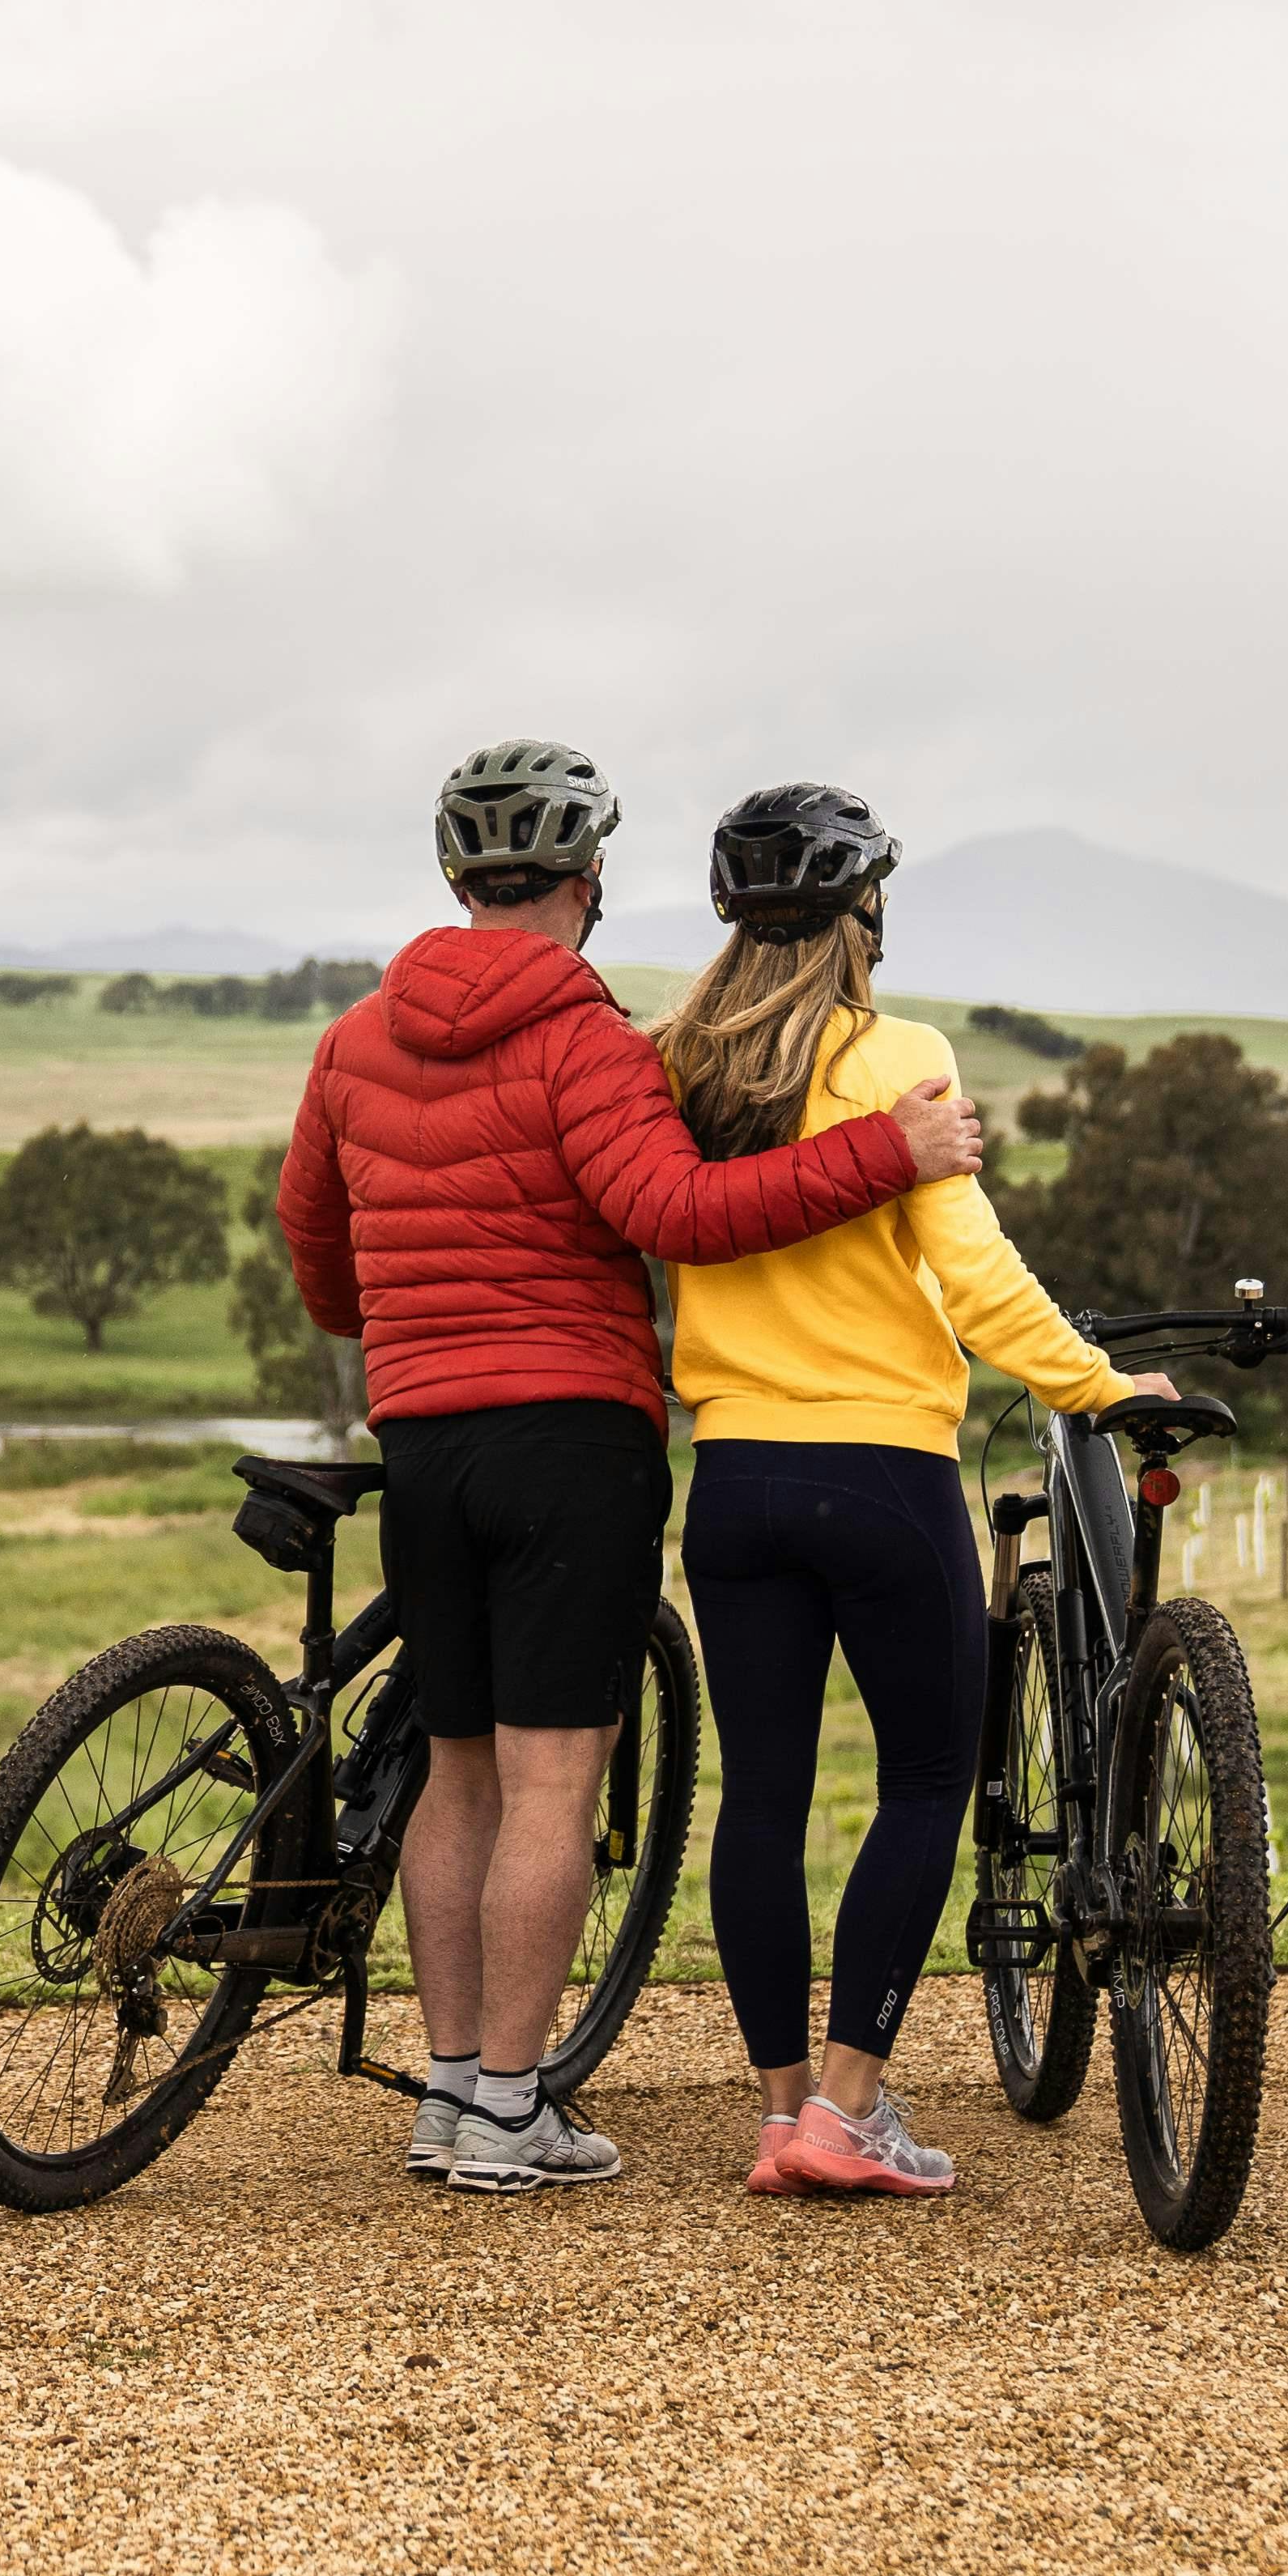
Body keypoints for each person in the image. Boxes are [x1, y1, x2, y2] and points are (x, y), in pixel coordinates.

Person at [276, 742, 987, 2198]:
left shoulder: (352, 1043)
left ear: (457, 882)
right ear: (589, 881)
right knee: (554, 1778)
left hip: (419, 1435)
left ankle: (452, 2090)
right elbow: (679, 1213)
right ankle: (512, 2109)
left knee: (451, 1770)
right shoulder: (585, 1039)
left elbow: (318, 1257)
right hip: (570, 1444)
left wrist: (399, 1320)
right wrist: (887, 1155)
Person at [652, 782, 1162, 2200]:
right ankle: (851, 2111)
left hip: (734, 1479)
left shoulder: (675, 1068)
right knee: (931, 1776)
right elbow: (978, 1279)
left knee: (761, 1792)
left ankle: (779, 2109)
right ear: (864, 914)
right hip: (882, 1475)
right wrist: (1094, 1386)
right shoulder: (901, 1058)